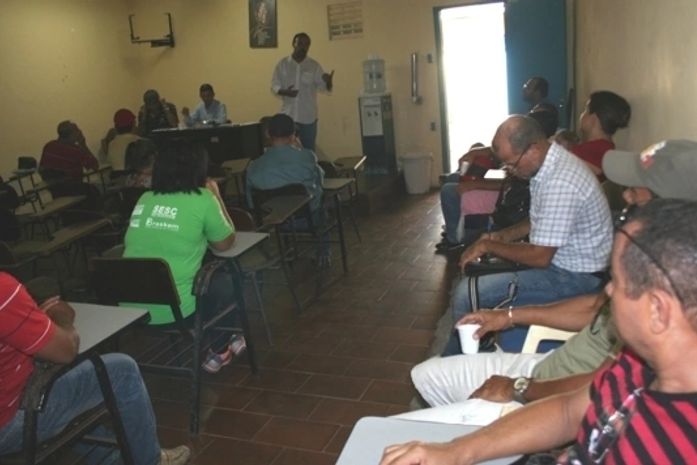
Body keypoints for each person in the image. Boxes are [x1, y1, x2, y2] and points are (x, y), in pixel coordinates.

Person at [405, 138, 697, 429]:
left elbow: (590, 394)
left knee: (468, 292)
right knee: (425, 375)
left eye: (635, 189)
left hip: (569, 283)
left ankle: (464, 412)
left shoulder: (662, 311)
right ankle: (463, 411)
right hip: (548, 368)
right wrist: (508, 316)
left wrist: (517, 388)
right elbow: (594, 308)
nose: (626, 196)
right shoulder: (643, 264)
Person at [380, 198, 697, 465]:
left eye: (617, 282)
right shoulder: (638, 363)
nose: (608, 292)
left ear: (657, 310)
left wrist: (516, 388)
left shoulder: (677, 442)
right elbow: (568, 411)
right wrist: (455, 451)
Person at [444, 115, 612, 353]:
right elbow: (539, 219)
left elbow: (539, 257)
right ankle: (479, 348)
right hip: (562, 264)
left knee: (467, 292)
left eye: (512, 164)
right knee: (481, 271)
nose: (510, 170)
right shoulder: (546, 165)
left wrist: (489, 246)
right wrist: (502, 237)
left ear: (533, 148)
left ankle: (458, 360)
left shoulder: (560, 181)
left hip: (575, 278)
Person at [0, 273, 190, 465]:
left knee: (75, 392)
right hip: (10, 423)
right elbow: (67, 350)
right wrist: (59, 317)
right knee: (122, 371)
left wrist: (31, 321)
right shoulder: (4, 290)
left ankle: (114, 459)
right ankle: (150, 460)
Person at [124, 142, 244, 373]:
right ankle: (220, 349)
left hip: (131, 305)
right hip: (177, 310)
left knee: (205, 274)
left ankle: (231, 337)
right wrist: (217, 196)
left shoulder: (145, 198)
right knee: (228, 278)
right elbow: (226, 243)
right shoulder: (203, 199)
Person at [246, 113, 324, 213]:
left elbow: (251, 203)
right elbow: (319, 182)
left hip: (269, 218)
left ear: (267, 133)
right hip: (304, 215)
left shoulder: (253, 167)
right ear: (293, 135)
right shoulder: (307, 157)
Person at [271, 32, 334, 150]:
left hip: (308, 119)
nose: (303, 47)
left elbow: (325, 89)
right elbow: (274, 85)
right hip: (289, 117)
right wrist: (285, 92)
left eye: (306, 44)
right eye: (300, 43)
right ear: (293, 44)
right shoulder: (283, 64)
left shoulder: (314, 66)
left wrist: (329, 82)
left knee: (309, 152)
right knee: (288, 152)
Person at [563, 90, 631, 178]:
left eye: (585, 110)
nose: (582, 115)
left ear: (593, 119)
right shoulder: (610, 152)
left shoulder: (583, 153)